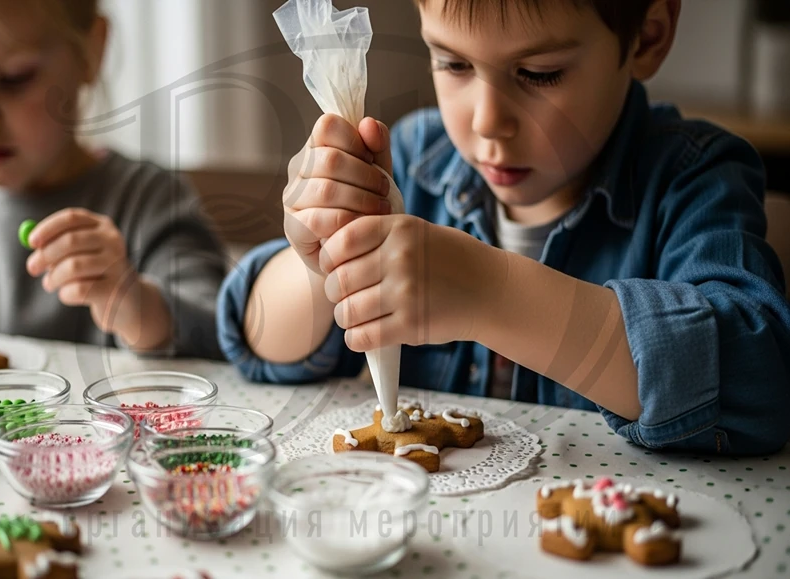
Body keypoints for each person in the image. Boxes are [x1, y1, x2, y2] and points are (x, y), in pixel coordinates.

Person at [218, 0, 790, 453]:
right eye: (453, 63)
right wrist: (322, 264)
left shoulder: (696, 178)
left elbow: (758, 383)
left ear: (648, 35)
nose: (488, 120)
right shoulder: (413, 161)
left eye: (538, 74)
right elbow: (258, 341)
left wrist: (491, 293)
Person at [0, 0, 225, 359]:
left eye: (14, 78)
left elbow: (217, 330)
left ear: (91, 53)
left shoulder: (149, 202)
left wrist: (137, 304)